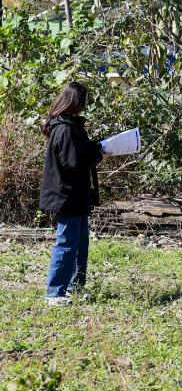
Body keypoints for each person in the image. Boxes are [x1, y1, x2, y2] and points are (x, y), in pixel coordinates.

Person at [40, 82, 105, 306]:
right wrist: (98, 155)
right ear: (75, 101)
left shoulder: (71, 126)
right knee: (66, 243)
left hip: (76, 195)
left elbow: (78, 152)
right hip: (67, 196)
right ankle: (55, 293)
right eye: (83, 101)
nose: (85, 105)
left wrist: (97, 146)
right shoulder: (65, 128)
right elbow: (74, 162)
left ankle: (73, 287)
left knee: (79, 243)